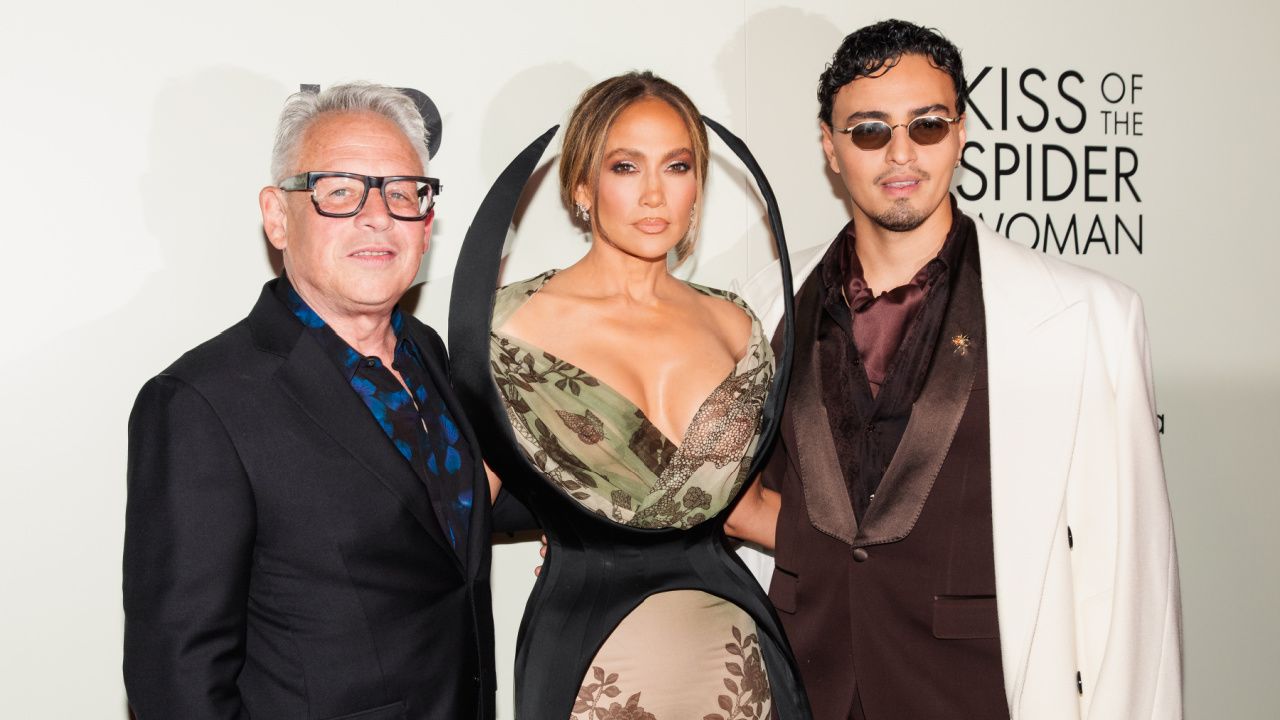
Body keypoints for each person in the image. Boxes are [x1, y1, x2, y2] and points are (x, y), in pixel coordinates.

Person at [736, 20, 1183, 720]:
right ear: (830, 146)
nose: (902, 153)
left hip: (981, 694)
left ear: (963, 132)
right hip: (796, 683)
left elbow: (1128, 582)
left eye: (928, 125)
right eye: (870, 131)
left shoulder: (1089, 316)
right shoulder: (763, 305)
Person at [123, 83, 504, 720]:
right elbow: (179, 680)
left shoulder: (431, 356)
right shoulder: (199, 403)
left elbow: (430, 538)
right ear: (278, 216)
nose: (378, 216)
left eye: (403, 192)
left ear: (426, 221)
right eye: (340, 190)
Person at [449, 72, 809, 719]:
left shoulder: (735, 326)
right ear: (582, 185)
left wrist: (902, 564)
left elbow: (748, 510)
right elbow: (460, 521)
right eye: (625, 165)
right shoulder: (508, 328)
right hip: (592, 661)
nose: (653, 193)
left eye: (676, 166)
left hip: (733, 656)